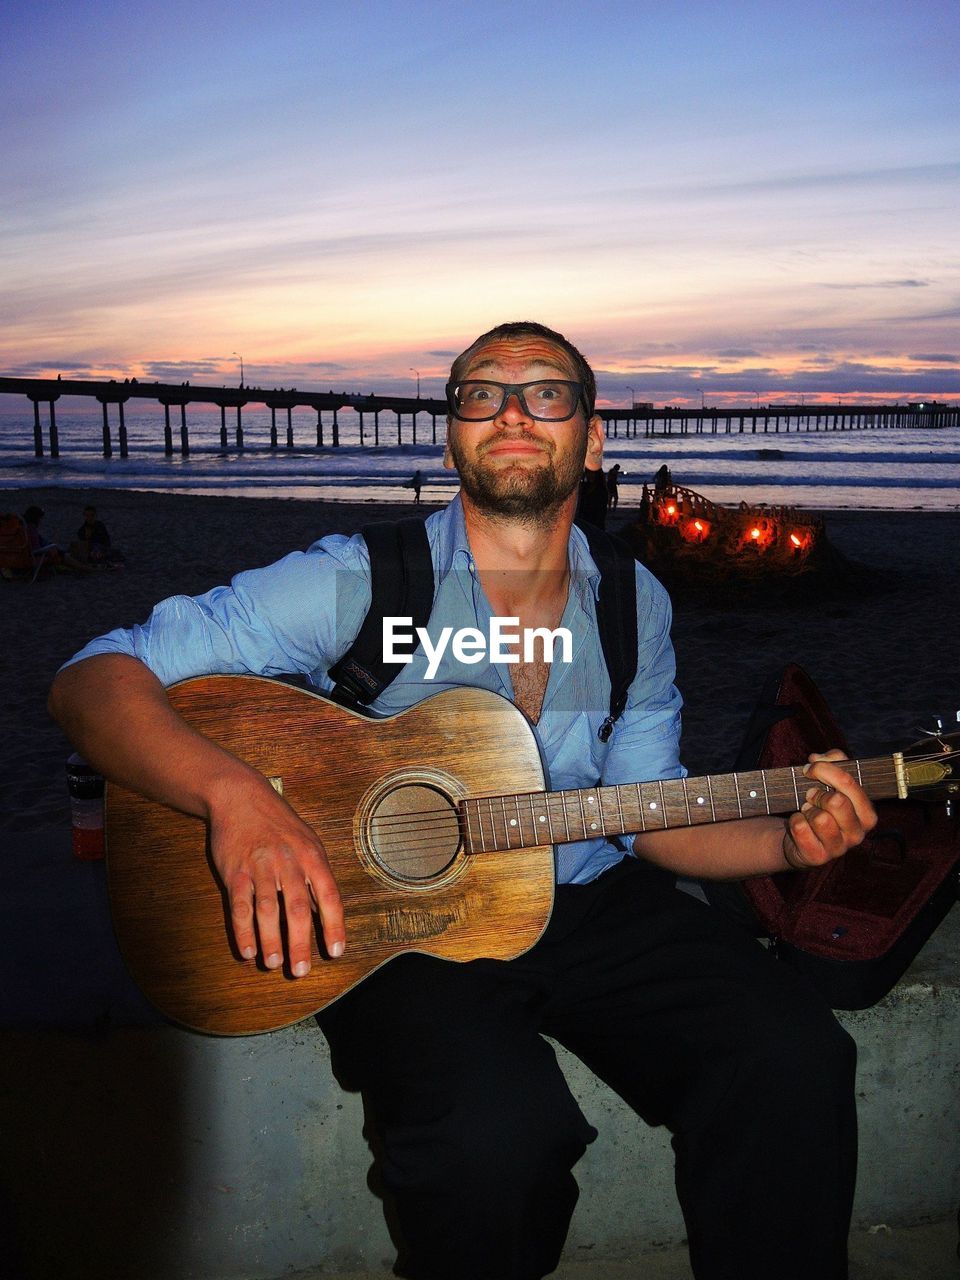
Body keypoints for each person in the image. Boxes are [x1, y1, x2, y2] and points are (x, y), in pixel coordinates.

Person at [49, 321, 875, 1280]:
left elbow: (648, 815)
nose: (513, 411)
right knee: (495, 1142)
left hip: (589, 897)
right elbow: (92, 678)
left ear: (593, 436)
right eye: (481, 395)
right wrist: (239, 801)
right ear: (452, 437)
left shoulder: (631, 603)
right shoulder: (364, 579)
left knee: (796, 1061)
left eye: (547, 393)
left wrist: (788, 843)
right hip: (394, 921)